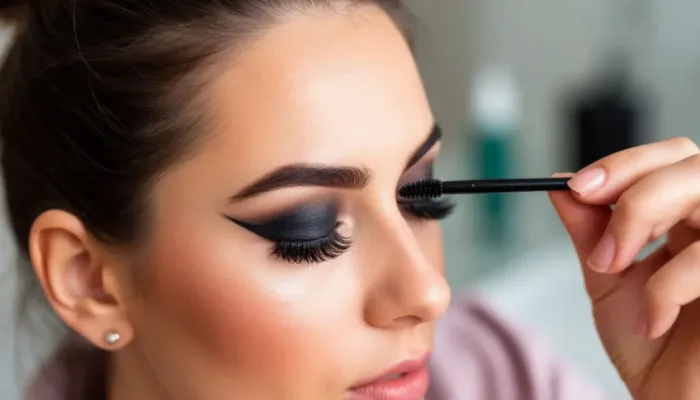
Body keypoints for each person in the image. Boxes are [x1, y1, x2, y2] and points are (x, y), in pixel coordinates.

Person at [2, 0, 700, 399]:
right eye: (306, 230)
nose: (429, 293)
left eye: (422, 197)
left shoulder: (498, 375)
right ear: (90, 281)